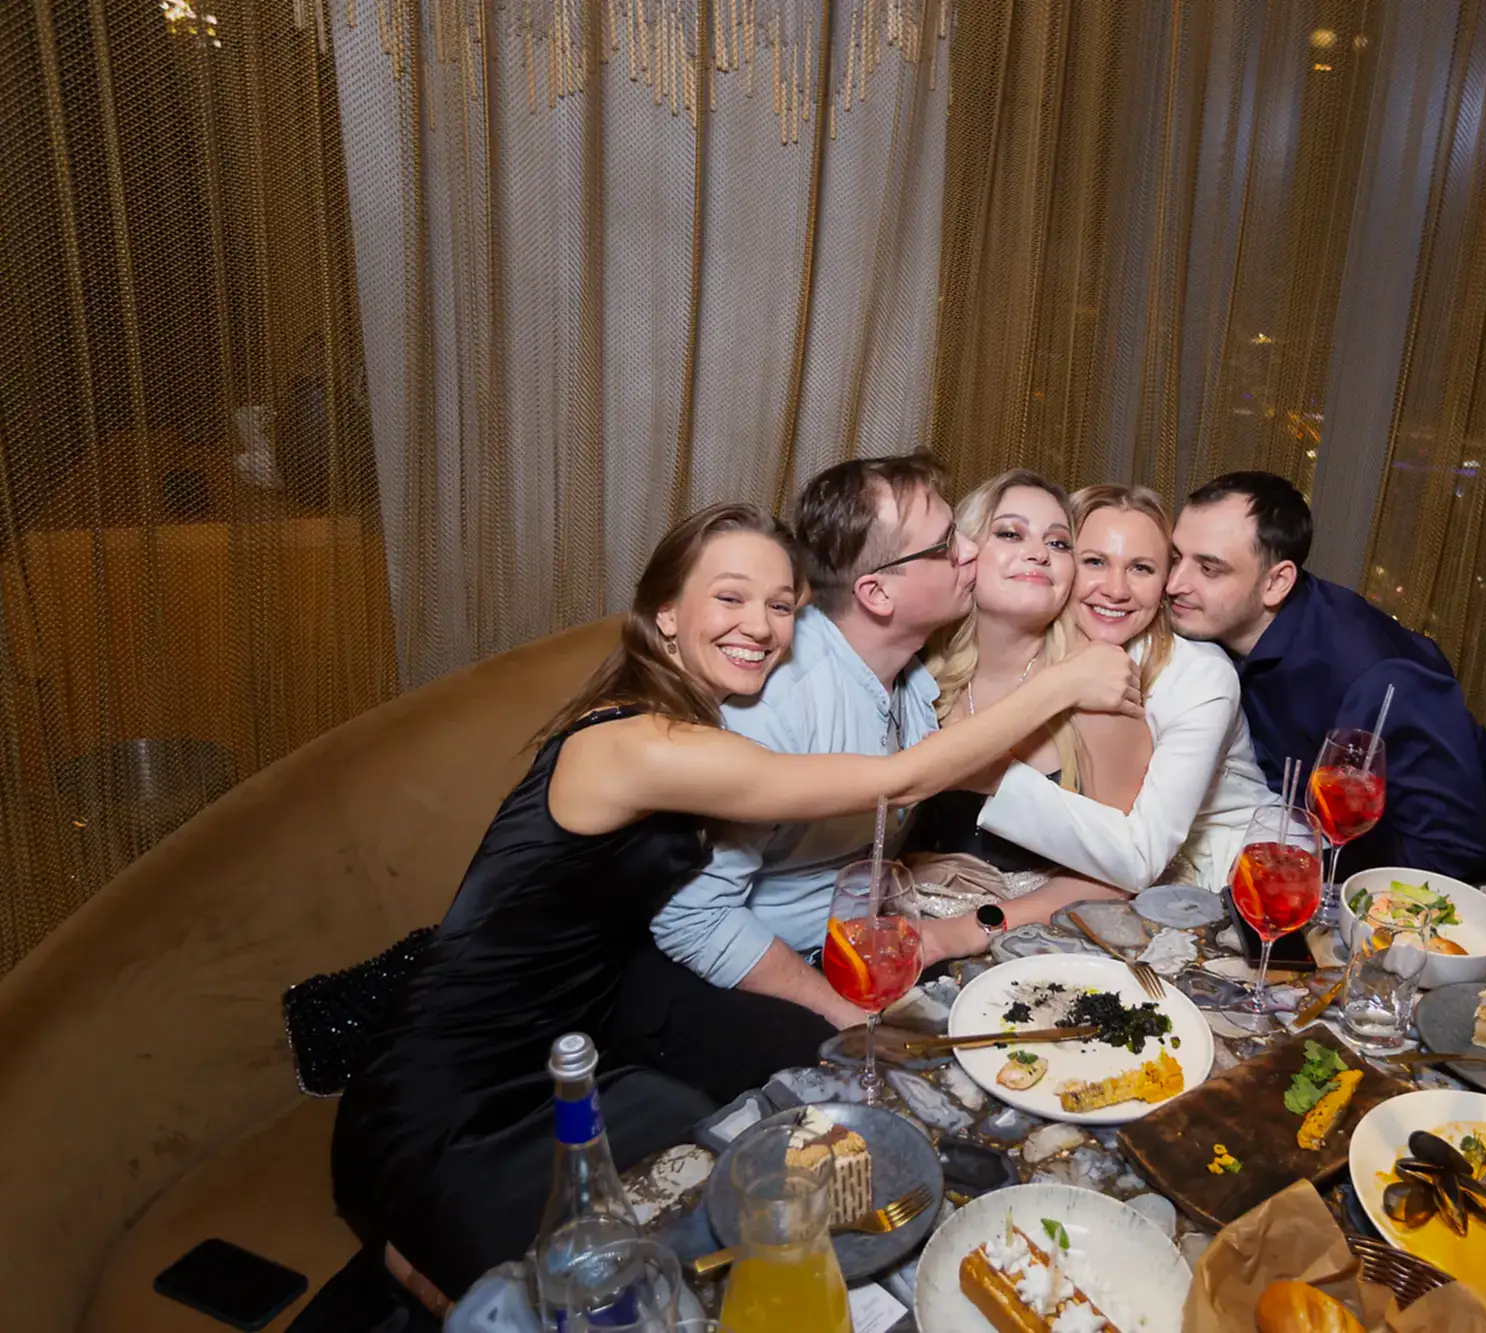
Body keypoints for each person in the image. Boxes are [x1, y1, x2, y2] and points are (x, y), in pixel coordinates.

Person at [331, 502, 1139, 1297]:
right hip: (447, 1091)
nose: (760, 626)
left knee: (713, 1187)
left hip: (574, 1055)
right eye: (730, 597)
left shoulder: (691, 723)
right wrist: (1065, 682)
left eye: (781, 605)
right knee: (575, 1291)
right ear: (665, 613)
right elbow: (898, 780)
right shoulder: (635, 744)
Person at [653, 455, 1016, 1026]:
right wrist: (843, 1014)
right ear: (877, 593)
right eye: (947, 544)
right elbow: (691, 918)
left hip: (859, 948)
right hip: (761, 982)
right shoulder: (776, 706)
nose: (971, 551)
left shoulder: (908, 675)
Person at [1163, 470, 1486, 892]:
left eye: (1208, 569)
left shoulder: (1375, 676)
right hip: (1333, 863)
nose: (1174, 584)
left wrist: (1309, 884)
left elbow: (1449, 848)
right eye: (1176, 558)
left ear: (1276, 582)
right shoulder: (1214, 627)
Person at [966, 484, 1275, 893]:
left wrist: (979, 769)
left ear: (1165, 582)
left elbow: (1140, 858)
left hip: (1235, 875)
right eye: (1095, 561)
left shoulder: (1202, 677)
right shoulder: (1042, 642)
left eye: (1141, 568)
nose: (1115, 590)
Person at [900, 471, 1138, 938]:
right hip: (897, 920)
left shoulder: (1100, 692)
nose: (1039, 553)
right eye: (1010, 533)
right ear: (963, 551)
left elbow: (1118, 874)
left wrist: (962, 933)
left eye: (1059, 543)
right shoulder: (914, 672)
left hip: (1029, 944)